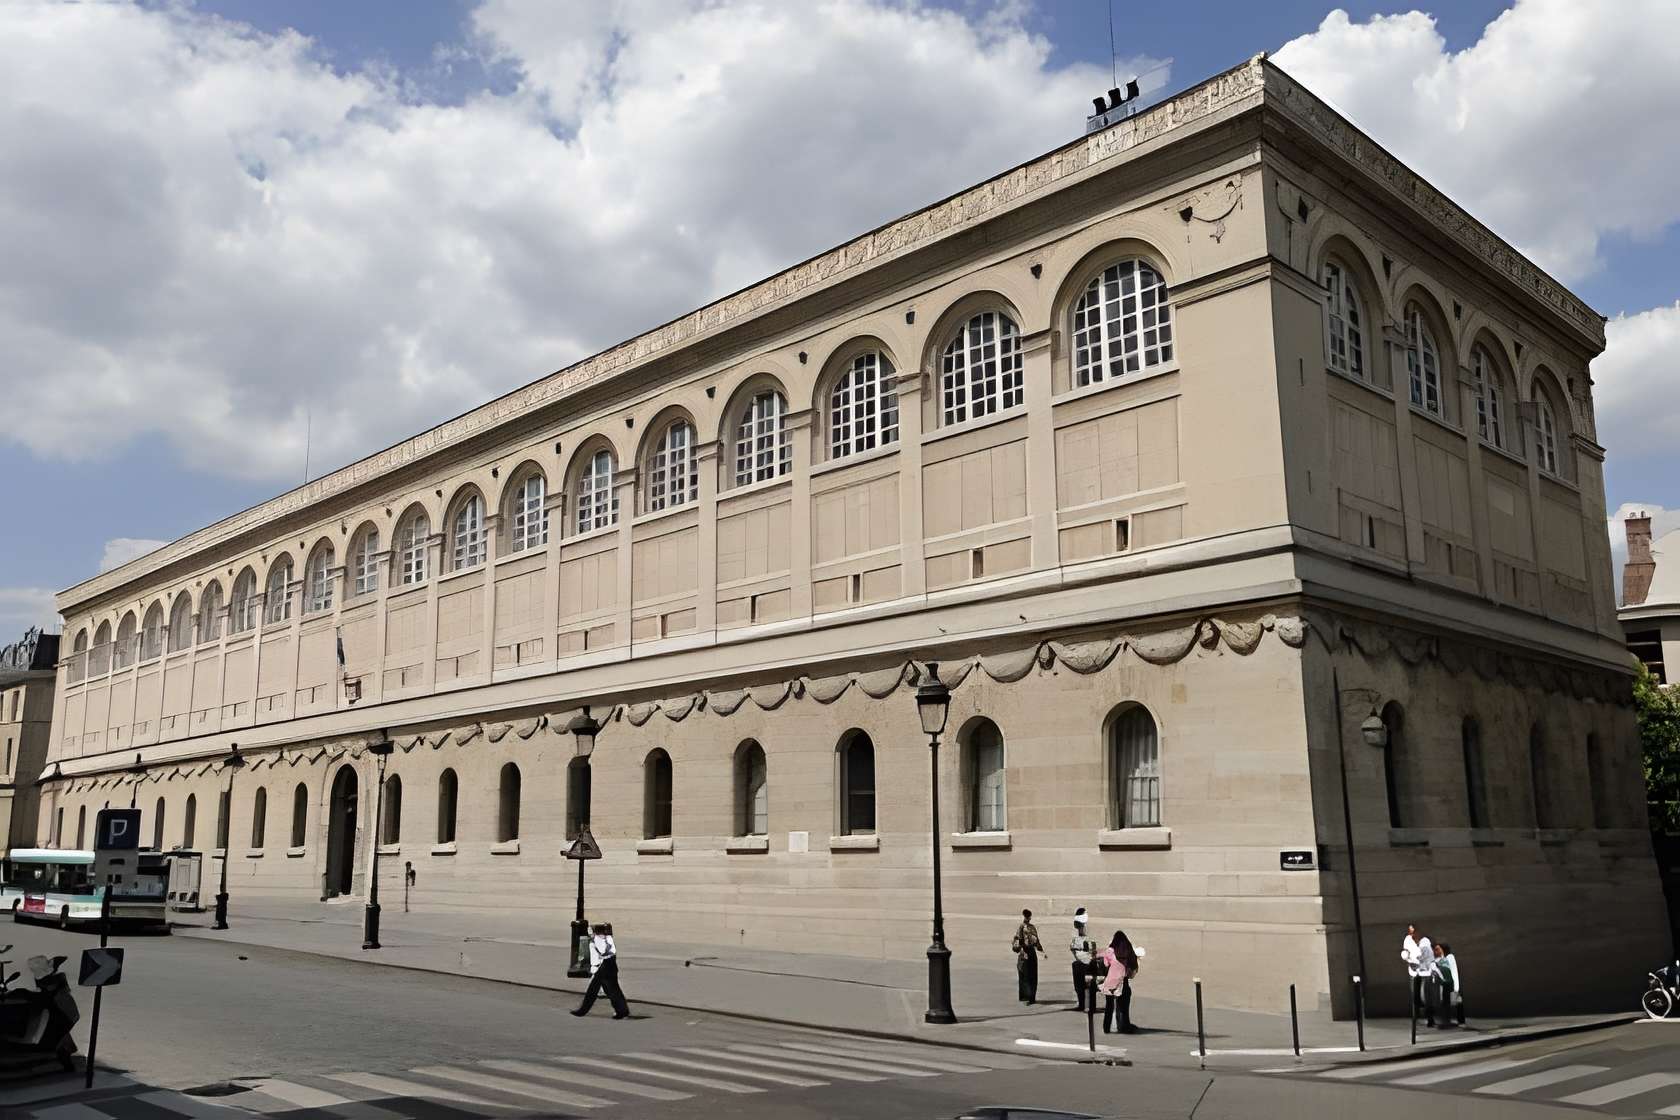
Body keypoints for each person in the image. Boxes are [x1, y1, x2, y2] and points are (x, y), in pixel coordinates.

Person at [571, 922, 630, 1019]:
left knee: (593, 990)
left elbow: (600, 954)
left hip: (605, 966)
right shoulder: (608, 938)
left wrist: (594, 968)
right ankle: (622, 1010)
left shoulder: (597, 940)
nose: (589, 933)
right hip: (611, 965)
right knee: (612, 989)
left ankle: (582, 1011)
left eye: (590, 931)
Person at [1097, 930, 1139, 1034]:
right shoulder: (1129, 952)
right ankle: (1123, 1025)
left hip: (1110, 981)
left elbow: (1106, 964)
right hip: (1122, 982)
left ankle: (1106, 1028)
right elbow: (1133, 970)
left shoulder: (1110, 951)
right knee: (1123, 1006)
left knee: (1109, 1006)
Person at [1401, 925, 1437, 1027]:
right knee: (1415, 995)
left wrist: (1416, 960)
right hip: (1414, 972)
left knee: (1427, 995)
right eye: (1410, 932)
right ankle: (1416, 1018)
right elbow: (1406, 953)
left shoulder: (1425, 941)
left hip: (1425, 972)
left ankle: (1430, 1019)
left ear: (1418, 932)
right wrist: (1407, 958)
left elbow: (1426, 956)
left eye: (1414, 932)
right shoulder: (1408, 940)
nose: (1412, 934)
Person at [1012, 908, 1046, 1004]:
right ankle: (1029, 997)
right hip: (1027, 952)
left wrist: (1040, 949)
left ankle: (1029, 997)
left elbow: (1018, 941)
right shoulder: (1027, 927)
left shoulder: (1026, 927)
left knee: (1027, 975)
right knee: (1028, 975)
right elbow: (1034, 941)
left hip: (1027, 953)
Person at [1070, 908, 1097, 1012]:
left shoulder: (1082, 927)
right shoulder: (1081, 926)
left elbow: (1081, 943)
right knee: (1089, 985)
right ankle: (1089, 1006)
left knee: (1082, 985)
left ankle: (1083, 1005)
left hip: (1084, 962)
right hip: (1088, 960)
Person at [1438, 942, 1465, 1026]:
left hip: (1452, 984)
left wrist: (1456, 987)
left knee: (1456, 1001)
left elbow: (1453, 971)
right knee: (1449, 1002)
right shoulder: (1442, 958)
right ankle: (1450, 1020)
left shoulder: (1450, 957)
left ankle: (1460, 1021)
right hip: (1447, 984)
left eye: (1439, 949)